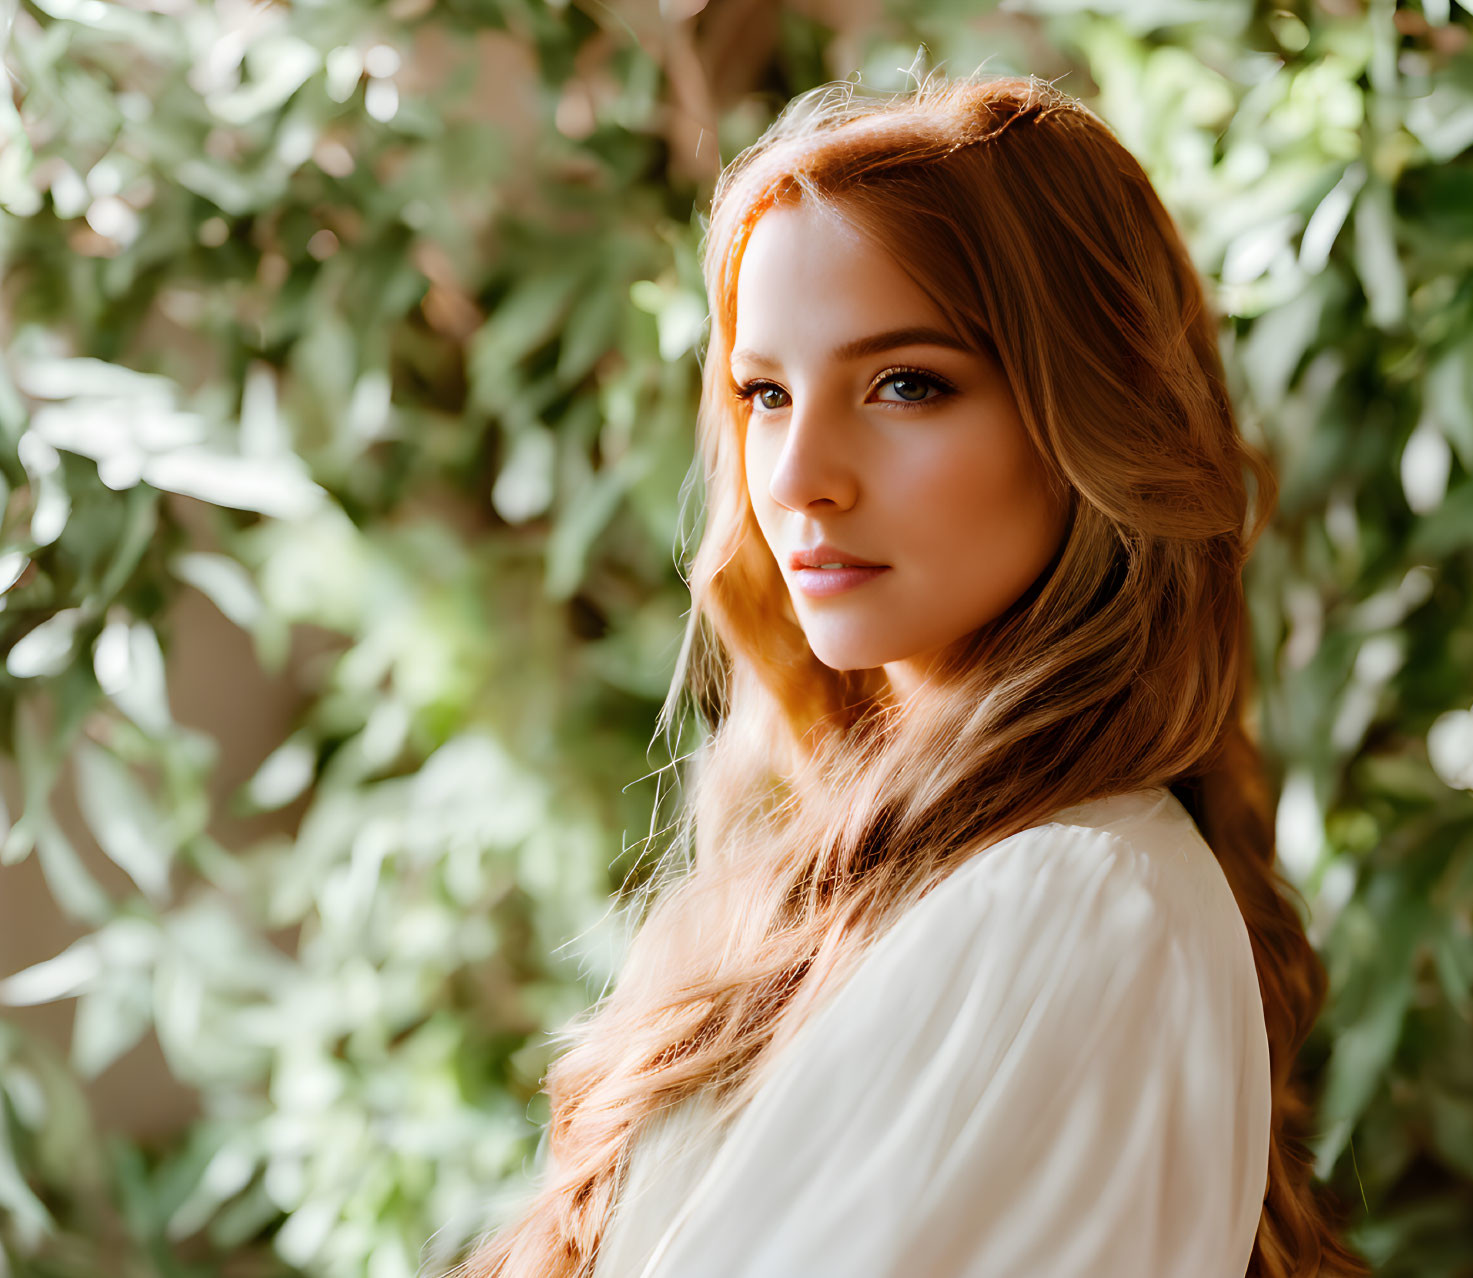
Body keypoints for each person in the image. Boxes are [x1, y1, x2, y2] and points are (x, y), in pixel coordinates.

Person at [454, 69, 1367, 1278]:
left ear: (1090, 418)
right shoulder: (885, 877)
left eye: (904, 384)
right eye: (765, 393)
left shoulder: (1079, 895)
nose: (793, 478)